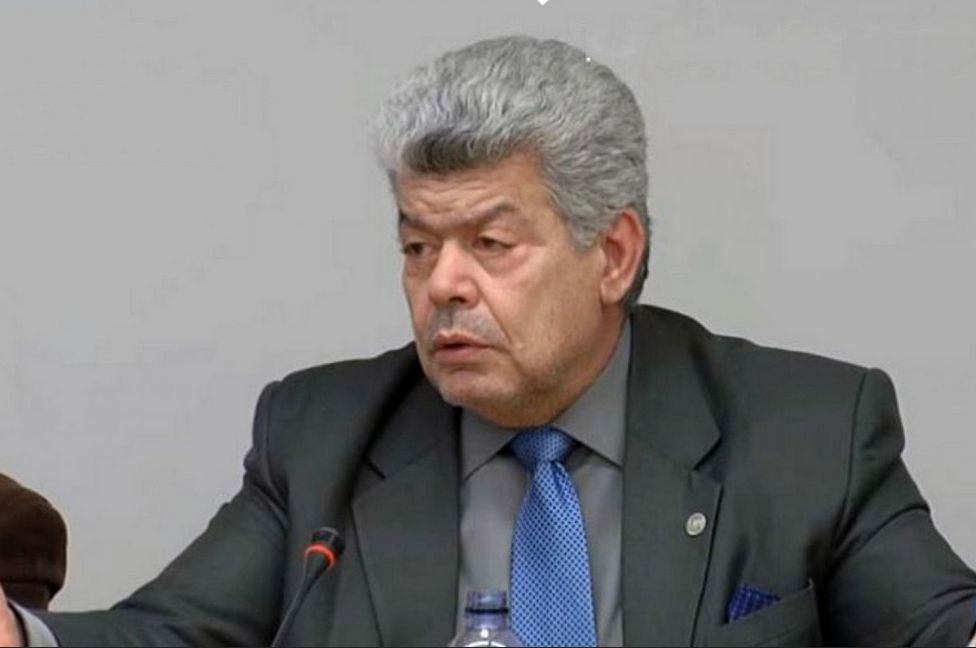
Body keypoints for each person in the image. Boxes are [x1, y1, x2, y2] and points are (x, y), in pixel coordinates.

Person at [2, 35, 975, 647]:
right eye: (417, 246)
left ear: (613, 254)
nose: (443, 284)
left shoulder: (810, 434)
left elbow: (939, 627)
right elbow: (167, 634)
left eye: (491, 245)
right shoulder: (322, 434)